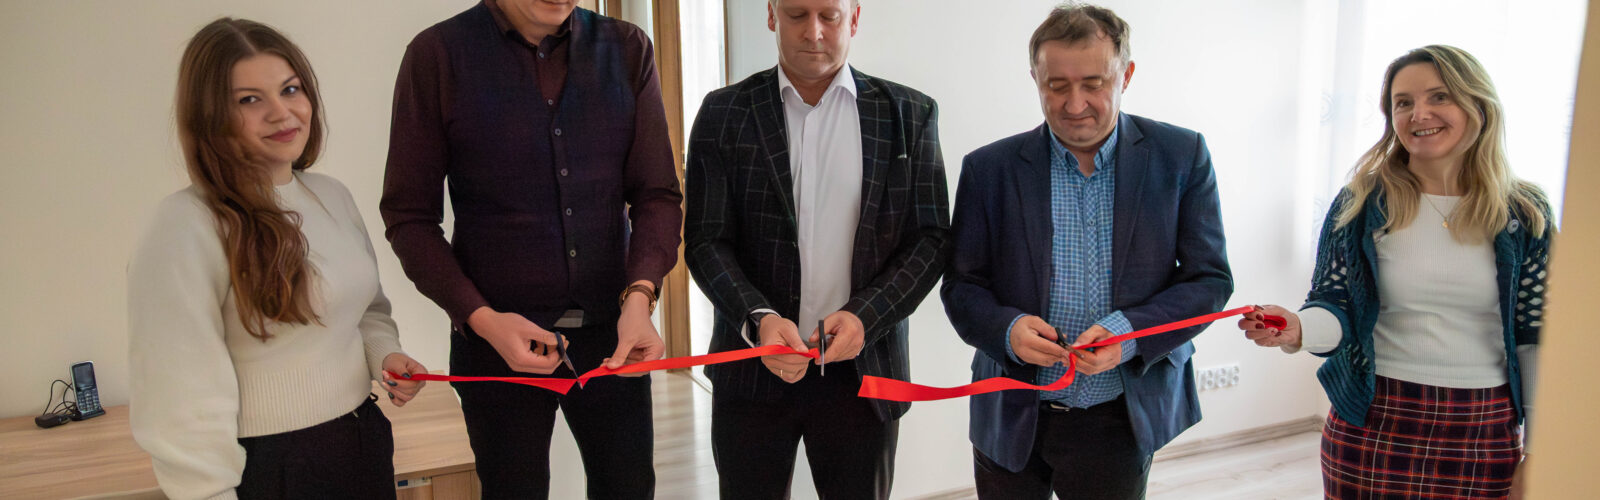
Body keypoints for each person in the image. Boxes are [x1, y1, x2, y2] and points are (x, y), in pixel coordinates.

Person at [379, 0, 681, 497]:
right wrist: (481, 319)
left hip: (615, 337)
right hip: (492, 342)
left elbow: (657, 195)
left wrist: (640, 296)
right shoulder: (437, 55)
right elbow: (409, 218)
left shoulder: (628, 49)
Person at [941, 4, 1233, 498]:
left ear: (1126, 75)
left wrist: (1131, 334)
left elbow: (1209, 280)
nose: (1074, 104)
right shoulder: (989, 169)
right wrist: (1008, 330)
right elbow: (962, 285)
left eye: (1094, 84)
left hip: (1121, 416)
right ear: (1035, 79)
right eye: (1056, 85)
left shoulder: (1182, 157)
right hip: (1011, 411)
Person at [128, 17, 426, 499]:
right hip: (272, 468)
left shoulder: (331, 195)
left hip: (361, 439)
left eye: (290, 90)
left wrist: (384, 355)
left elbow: (367, 311)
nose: (281, 112)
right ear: (209, 117)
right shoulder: (185, 224)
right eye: (249, 100)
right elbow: (176, 397)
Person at [1240, 45, 1551, 499]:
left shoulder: (1524, 211)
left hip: (1483, 428)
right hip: (1373, 420)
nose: (1418, 114)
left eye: (1439, 96)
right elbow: (1337, 304)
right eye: (1403, 102)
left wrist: (1538, 451)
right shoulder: (1361, 203)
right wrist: (1298, 328)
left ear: (1478, 104)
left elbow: (1536, 337)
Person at [683, 0, 950, 497]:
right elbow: (705, 240)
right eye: (797, 15)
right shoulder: (723, 113)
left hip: (863, 373)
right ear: (771, 15)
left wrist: (865, 318)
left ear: (854, 18)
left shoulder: (911, 114)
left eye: (829, 15)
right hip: (752, 370)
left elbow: (930, 241)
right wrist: (757, 319)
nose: (814, 32)